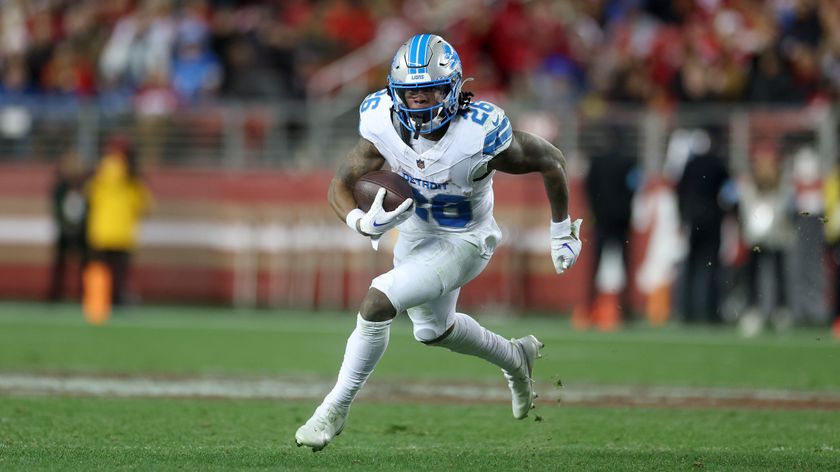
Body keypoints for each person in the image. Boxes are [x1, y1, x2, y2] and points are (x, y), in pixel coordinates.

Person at [295, 34, 583, 451]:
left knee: (379, 300)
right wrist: (361, 222)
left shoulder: (479, 132)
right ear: (395, 95)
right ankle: (515, 357)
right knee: (432, 332)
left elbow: (552, 160)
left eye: (430, 90)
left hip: (466, 239)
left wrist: (561, 230)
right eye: (411, 94)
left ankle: (333, 409)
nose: (421, 102)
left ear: (454, 89)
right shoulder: (380, 121)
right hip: (416, 233)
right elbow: (339, 185)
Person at [85, 139, 152, 306]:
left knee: (99, 269)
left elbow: (89, 195)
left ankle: (97, 302)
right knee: (120, 272)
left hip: (101, 230)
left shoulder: (100, 172)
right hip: (123, 231)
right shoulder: (133, 176)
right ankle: (118, 300)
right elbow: (145, 205)